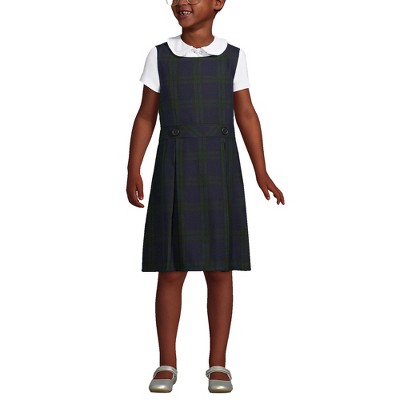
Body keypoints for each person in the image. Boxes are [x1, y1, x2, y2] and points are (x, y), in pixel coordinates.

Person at [126, 0, 284, 393]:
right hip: (174, 167)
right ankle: (166, 362)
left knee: (219, 267)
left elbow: (245, 114)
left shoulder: (233, 57)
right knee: (171, 268)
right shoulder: (160, 55)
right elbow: (146, 115)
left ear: (218, 3)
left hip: (219, 167)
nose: (181, 2)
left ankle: (218, 364)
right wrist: (133, 167)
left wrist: (261, 170)